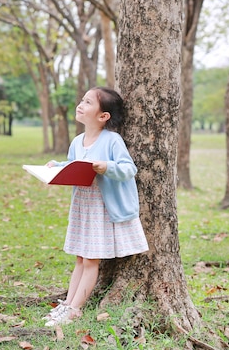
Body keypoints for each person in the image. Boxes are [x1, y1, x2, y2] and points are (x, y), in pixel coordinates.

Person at [42, 87, 148, 326]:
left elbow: (129, 169)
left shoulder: (112, 140)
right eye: (82, 100)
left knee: (91, 260)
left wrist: (106, 167)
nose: (81, 104)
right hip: (83, 206)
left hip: (101, 208)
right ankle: (67, 304)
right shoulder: (77, 141)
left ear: (103, 116)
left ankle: (74, 310)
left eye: (88, 102)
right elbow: (73, 165)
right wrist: (56, 167)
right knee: (80, 258)